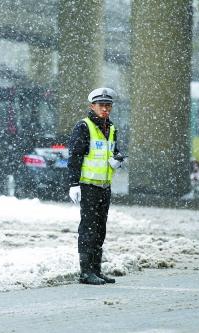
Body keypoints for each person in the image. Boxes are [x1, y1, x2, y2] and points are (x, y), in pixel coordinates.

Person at [67, 87, 125, 285]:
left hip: (104, 186)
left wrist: (117, 159)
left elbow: (113, 151)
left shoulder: (112, 128)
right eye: (101, 105)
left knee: (100, 229)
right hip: (88, 185)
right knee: (88, 229)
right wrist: (73, 183)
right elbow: (75, 156)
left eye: (108, 105)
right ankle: (86, 272)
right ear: (92, 106)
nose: (105, 109)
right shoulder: (84, 127)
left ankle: (96, 269)